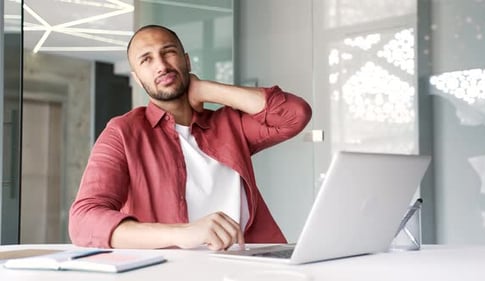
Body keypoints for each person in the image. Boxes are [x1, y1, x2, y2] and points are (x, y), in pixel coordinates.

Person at [68, 25, 312, 251]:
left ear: (186, 60)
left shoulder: (229, 125)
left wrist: (207, 89)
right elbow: (83, 221)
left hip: (254, 262)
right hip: (177, 270)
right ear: (137, 77)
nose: (161, 65)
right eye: (147, 59)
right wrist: (181, 234)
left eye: (168, 52)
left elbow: (295, 115)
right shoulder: (123, 132)